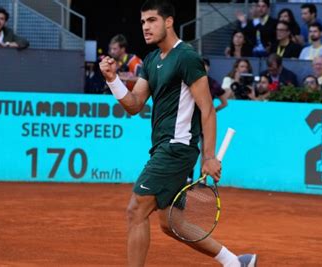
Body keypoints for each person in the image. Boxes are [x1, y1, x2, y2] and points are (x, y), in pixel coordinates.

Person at [98, 1, 257, 266]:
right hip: (163, 148)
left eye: (152, 20)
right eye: (143, 22)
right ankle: (235, 262)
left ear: (168, 22)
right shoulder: (151, 60)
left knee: (136, 210)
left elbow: (207, 109)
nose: (146, 27)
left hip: (177, 148)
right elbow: (134, 105)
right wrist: (113, 80)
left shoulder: (186, 57)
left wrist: (209, 157)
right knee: (171, 222)